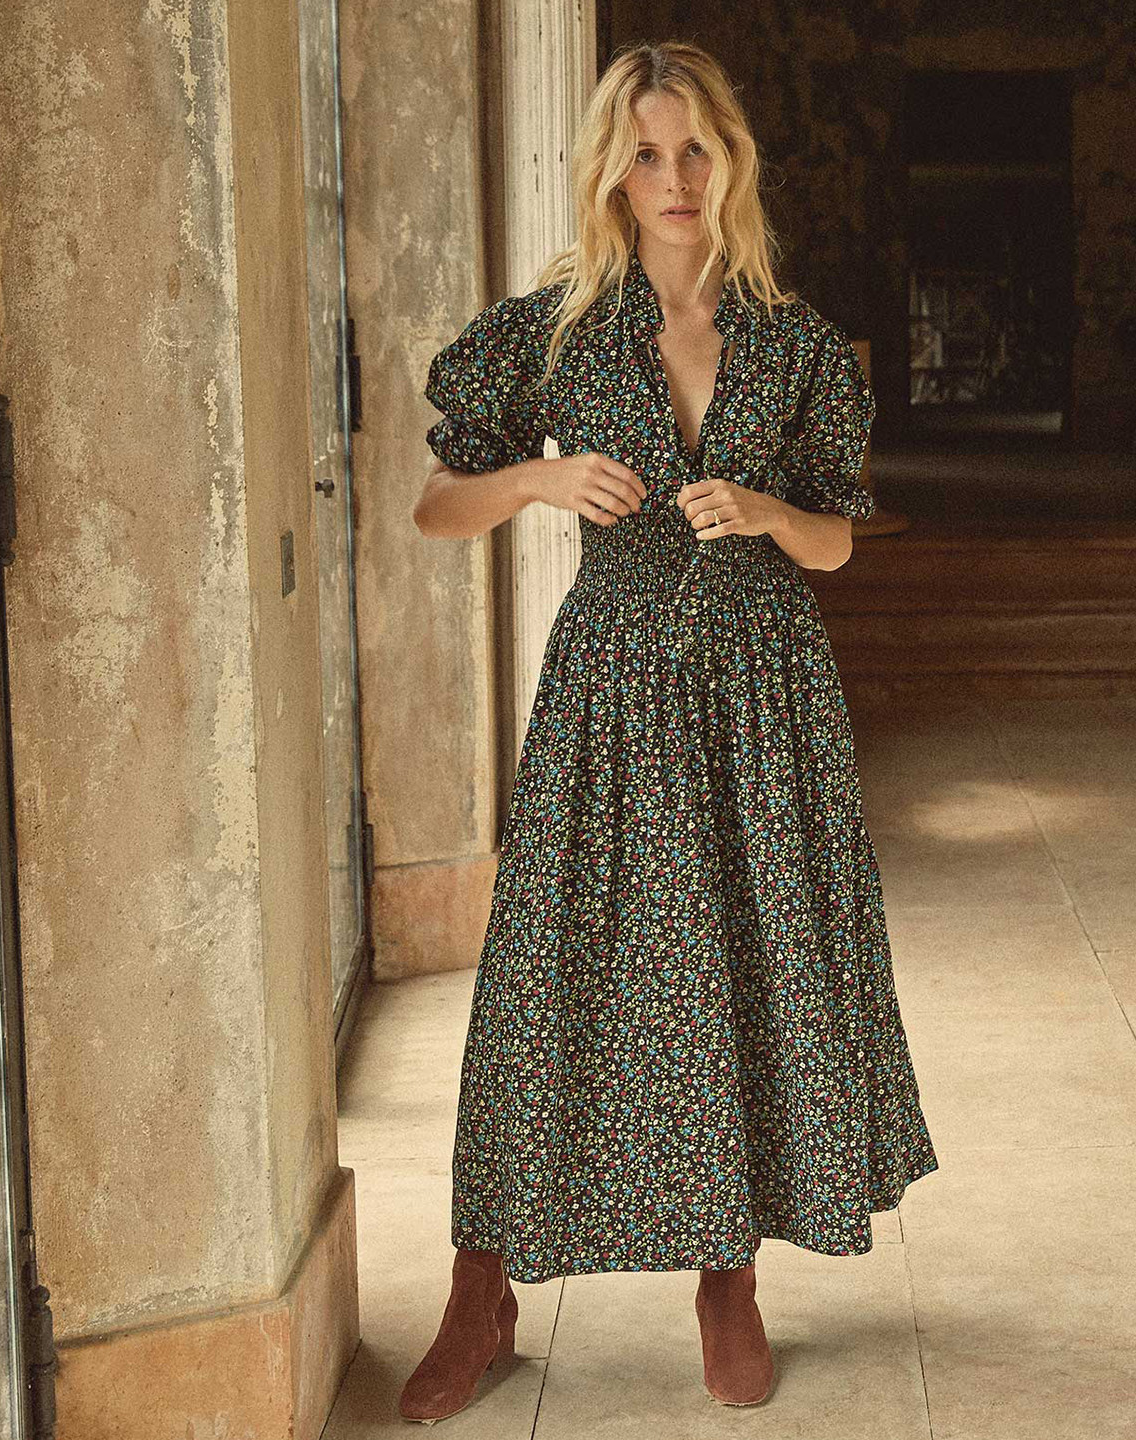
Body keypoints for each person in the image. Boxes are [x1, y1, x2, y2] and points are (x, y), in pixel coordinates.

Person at [402, 38, 938, 1422]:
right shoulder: (553, 334)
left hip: (762, 698)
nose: (675, 176)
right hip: (611, 695)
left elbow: (838, 543)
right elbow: (435, 508)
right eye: (647, 153)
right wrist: (539, 479)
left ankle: (728, 1279)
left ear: (731, 160)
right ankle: (481, 1290)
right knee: (541, 987)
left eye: (696, 147)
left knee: (741, 977)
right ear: (614, 173)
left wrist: (765, 511)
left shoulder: (796, 343)